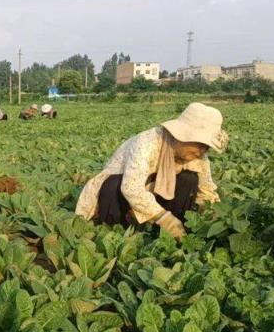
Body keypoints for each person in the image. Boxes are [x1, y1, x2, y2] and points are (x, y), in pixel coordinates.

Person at [75, 102, 229, 240]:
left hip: (153, 196)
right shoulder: (147, 143)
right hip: (123, 195)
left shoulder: (198, 158)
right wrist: (165, 219)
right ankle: (114, 233)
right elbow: (131, 188)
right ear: (182, 136)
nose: (202, 151)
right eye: (199, 144)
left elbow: (206, 190)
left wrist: (213, 215)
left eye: (206, 147)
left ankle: (168, 233)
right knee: (113, 184)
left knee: (189, 179)